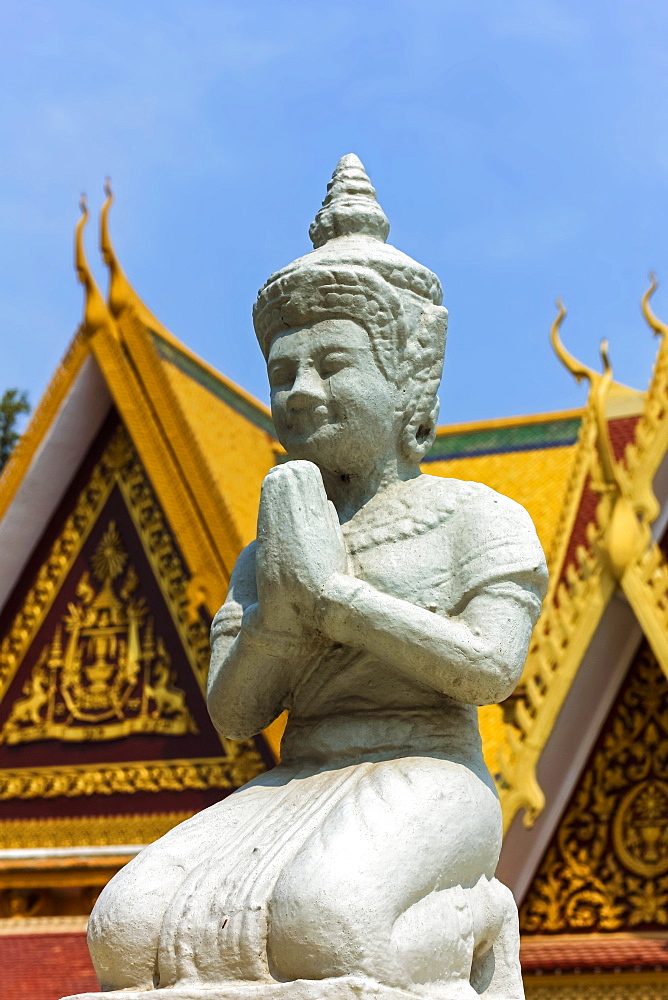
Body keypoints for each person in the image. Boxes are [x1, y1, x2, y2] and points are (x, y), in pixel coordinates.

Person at [83, 155, 547, 1000]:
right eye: (282, 372)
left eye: (331, 365)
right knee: (126, 932)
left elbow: (490, 668)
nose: (299, 391)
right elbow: (236, 713)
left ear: (407, 379)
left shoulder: (478, 519)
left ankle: (477, 917)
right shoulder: (270, 547)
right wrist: (284, 610)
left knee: (325, 923)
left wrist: (338, 599)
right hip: (296, 775)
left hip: (431, 767)